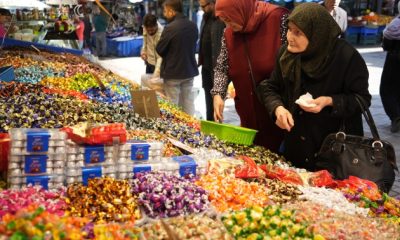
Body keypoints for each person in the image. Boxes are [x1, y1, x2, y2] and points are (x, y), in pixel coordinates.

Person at [260, 3, 371, 170]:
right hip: (297, 147)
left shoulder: (346, 57)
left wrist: (329, 101)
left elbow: (362, 98)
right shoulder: (286, 54)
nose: (290, 37)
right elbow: (269, 87)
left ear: (317, 33)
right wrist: (278, 108)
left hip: (334, 152)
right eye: (289, 29)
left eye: (298, 32)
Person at [211, 0, 289, 152]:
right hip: (248, 112)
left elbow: (294, 60)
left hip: (279, 111)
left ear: (240, 9)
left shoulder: (278, 18)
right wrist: (218, 94)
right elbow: (222, 67)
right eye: (224, 21)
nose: (228, 26)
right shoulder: (229, 34)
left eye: (229, 19)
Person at [156, 0, 199, 115]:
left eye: (165, 11)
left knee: (172, 104)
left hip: (173, 72)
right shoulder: (193, 25)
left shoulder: (170, 28)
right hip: (189, 70)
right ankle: (191, 128)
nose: (164, 14)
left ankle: (174, 130)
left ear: (171, 11)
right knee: (188, 102)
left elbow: (159, 49)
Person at [198, 0, 225, 121]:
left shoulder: (221, 19)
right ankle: (210, 126)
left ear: (212, 3)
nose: (202, 8)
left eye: (204, 6)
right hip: (206, 66)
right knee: (208, 101)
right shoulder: (205, 17)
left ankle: (216, 130)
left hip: (217, 68)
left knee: (217, 103)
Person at [380, 1, 400, 133]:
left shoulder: (396, 24)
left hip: (395, 61)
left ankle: (396, 117)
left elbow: (386, 44)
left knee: (387, 89)